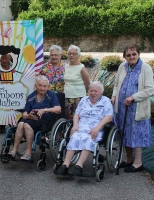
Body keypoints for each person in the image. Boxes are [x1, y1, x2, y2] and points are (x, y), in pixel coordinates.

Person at [111, 44, 154, 173]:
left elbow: (150, 89)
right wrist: (113, 96)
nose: (131, 56)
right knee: (125, 133)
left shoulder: (145, 68)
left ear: (138, 54)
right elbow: (117, 84)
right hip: (123, 108)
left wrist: (133, 97)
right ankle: (129, 159)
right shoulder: (122, 67)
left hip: (137, 108)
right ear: (124, 57)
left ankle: (138, 163)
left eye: (134, 54)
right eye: (128, 55)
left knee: (137, 134)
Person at [55, 81, 113, 176]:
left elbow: (109, 117)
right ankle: (65, 164)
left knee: (89, 138)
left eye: (96, 91)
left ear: (101, 92)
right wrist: (75, 126)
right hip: (81, 126)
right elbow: (77, 114)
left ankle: (79, 165)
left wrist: (97, 128)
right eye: (91, 91)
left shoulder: (106, 101)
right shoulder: (84, 100)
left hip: (96, 127)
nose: (93, 93)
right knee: (74, 137)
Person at [9, 75, 61, 161]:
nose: (42, 88)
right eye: (40, 85)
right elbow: (25, 112)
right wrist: (28, 116)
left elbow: (58, 109)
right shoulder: (31, 96)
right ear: (36, 86)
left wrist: (44, 110)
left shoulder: (51, 95)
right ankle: (14, 150)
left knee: (26, 125)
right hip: (31, 117)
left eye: (45, 86)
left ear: (48, 87)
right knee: (21, 124)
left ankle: (29, 153)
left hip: (45, 119)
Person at [64, 44, 90, 119]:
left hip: (78, 97)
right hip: (67, 96)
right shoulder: (66, 66)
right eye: (69, 53)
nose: (71, 55)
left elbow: (87, 84)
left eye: (74, 54)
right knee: (68, 118)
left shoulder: (81, 68)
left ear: (78, 55)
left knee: (77, 118)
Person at [0, 53, 13, 133]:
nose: (4, 61)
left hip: (11, 87)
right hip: (0, 89)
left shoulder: (13, 66)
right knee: (2, 105)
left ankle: (12, 123)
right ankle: (2, 125)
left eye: (6, 58)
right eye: (2, 58)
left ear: (10, 58)